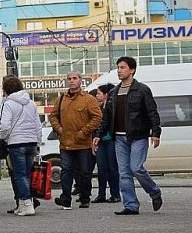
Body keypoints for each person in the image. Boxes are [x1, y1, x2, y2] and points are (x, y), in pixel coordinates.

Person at [93, 56, 164, 215]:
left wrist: (155, 133)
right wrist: (99, 135)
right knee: (124, 173)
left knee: (136, 168)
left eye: (123, 67)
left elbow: (152, 112)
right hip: (119, 138)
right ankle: (131, 205)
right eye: (118, 67)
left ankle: (154, 192)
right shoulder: (113, 92)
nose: (119, 70)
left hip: (138, 136)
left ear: (132, 70)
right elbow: (107, 117)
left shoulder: (142, 90)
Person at [0, 75, 42, 216]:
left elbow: (4, 126)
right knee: (26, 175)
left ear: (6, 89)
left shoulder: (8, 104)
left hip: (16, 143)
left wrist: (3, 138)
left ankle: (27, 204)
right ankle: (22, 206)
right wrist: (38, 142)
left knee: (19, 175)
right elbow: (37, 125)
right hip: (31, 143)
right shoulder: (31, 103)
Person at [49, 71, 102, 210]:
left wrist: (84, 131)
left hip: (83, 143)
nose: (72, 81)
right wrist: (58, 128)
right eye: (69, 79)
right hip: (66, 143)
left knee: (85, 172)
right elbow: (53, 116)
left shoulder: (89, 99)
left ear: (80, 81)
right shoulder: (61, 99)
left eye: (74, 78)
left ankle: (85, 198)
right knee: (66, 170)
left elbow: (97, 117)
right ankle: (65, 198)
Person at [92, 83, 121, 203]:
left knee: (112, 168)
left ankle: (115, 194)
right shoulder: (98, 109)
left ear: (106, 94)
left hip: (111, 140)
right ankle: (101, 194)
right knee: (101, 168)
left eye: (99, 93)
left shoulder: (112, 108)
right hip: (101, 141)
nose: (97, 96)